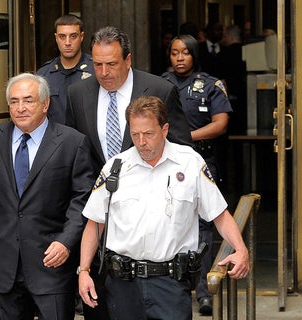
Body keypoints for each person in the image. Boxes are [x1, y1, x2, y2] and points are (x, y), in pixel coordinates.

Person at [78, 96, 249, 320]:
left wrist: (241, 249)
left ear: (165, 129)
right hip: (123, 285)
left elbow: (219, 214)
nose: (141, 142)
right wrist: (84, 271)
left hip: (171, 283)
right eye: (135, 134)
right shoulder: (116, 168)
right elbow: (95, 223)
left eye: (148, 134)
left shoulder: (189, 163)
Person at [65, 25, 193, 319]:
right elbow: (77, 157)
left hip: (150, 225)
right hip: (99, 220)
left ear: (128, 59)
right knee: (100, 306)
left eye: (111, 64)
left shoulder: (159, 90)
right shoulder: (77, 94)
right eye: (97, 64)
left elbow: (183, 153)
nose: (104, 72)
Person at [0, 73, 94, 319]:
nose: (21, 108)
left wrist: (66, 241)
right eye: (14, 101)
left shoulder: (72, 142)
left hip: (51, 261)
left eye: (28, 100)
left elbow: (82, 198)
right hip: (5, 263)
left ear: (45, 104)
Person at [162, 34, 234, 316]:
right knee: (169, 221)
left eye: (185, 53)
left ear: (195, 55)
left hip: (201, 160)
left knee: (204, 227)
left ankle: (204, 292)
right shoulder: (159, 83)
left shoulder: (212, 84)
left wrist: (184, 138)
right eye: (174, 53)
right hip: (166, 162)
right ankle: (172, 288)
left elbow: (220, 124)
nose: (179, 58)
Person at [36, 14, 94, 124]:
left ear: (81, 37)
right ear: (56, 38)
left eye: (73, 36)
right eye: (62, 36)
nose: (67, 43)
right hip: (54, 139)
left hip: (87, 139)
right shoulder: (44, 74)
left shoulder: (96, 70)